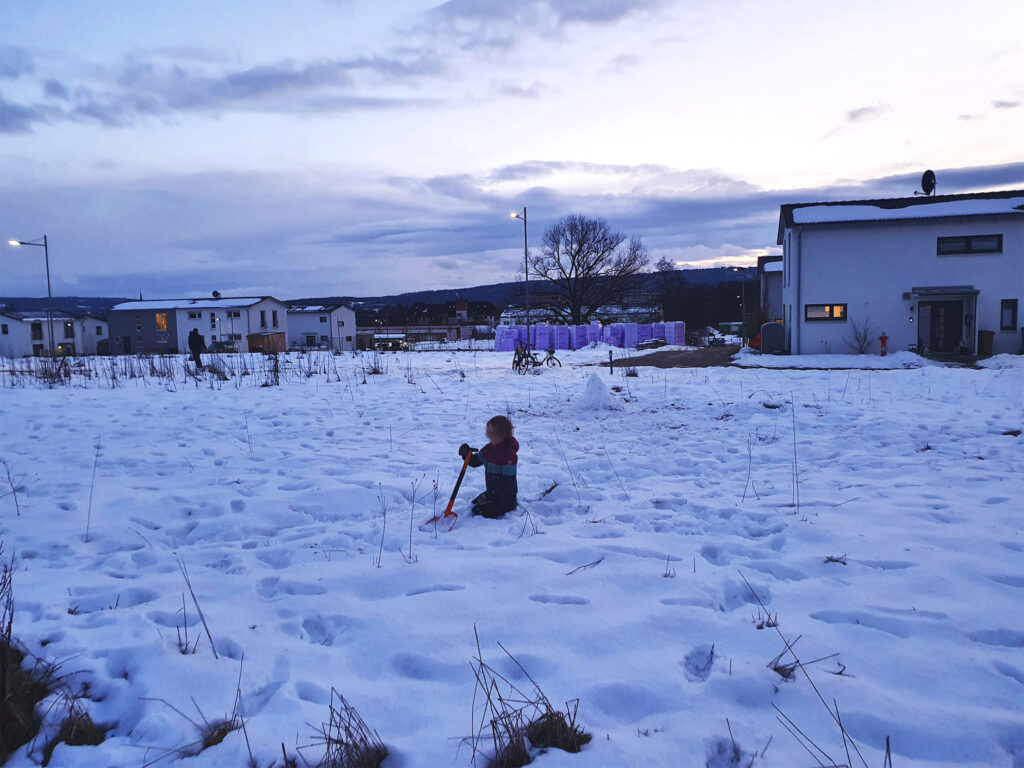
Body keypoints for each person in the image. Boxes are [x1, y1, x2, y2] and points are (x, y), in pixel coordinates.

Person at [458, 415, 518, 519]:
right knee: (474, 505)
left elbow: (508, 481)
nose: (487, 435)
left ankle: (510, 506)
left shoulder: (509, 455)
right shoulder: (489, 448)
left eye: (490, 433)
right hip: (492, 492)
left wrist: (495, 494)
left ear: (501, 435)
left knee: (480, 510)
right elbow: (476, 461)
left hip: (505, 497)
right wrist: (466, 454)